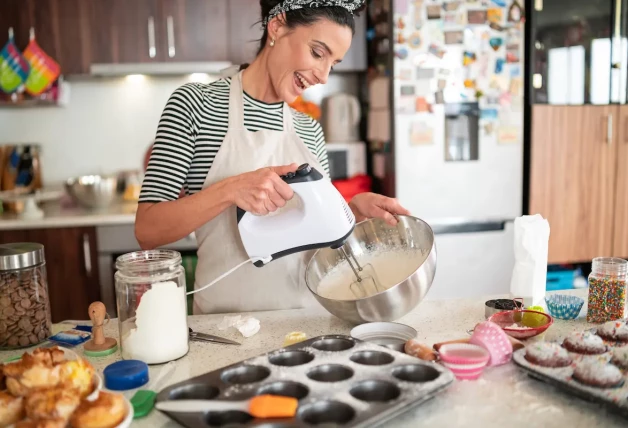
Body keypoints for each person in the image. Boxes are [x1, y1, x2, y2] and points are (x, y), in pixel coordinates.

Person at [136, 0, 410, 314]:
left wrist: (349, 214)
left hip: (307, 325)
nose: (323, 75)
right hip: (224, 330)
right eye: (318, 53)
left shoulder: (309, 130)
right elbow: (148, 230)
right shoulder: (196, 105)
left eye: (332, 64)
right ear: (277, 26)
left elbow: (316, 238)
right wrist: (231, 190)